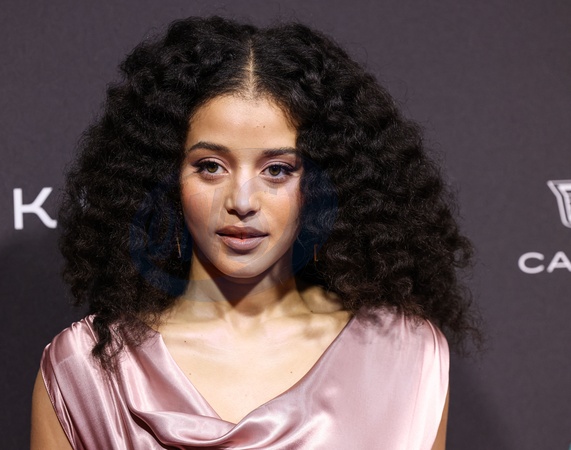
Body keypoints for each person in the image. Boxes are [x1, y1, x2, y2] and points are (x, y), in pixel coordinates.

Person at [30, 16, 480, 450]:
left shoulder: (405, 357)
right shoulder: (84, 371)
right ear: (164, 178)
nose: (242, 201)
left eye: (277, 170)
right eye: (211, 167)